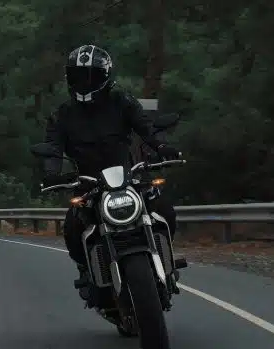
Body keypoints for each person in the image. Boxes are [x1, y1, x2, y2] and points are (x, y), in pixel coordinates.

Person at [40, 44, 181, 299]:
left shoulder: (122, 101)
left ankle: (165, 259)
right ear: (69, 78)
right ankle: (88, 271)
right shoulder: (62, 115)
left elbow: (145, 127)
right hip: (88, 184)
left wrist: (162, 147)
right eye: (79, 76)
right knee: (73, 228)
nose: (85, 82)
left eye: (91, 76)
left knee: (163, 208)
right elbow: (52, 147)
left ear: (105, 76)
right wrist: (52, 173)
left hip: (128, 178)